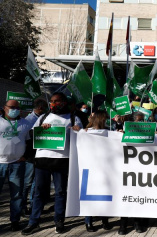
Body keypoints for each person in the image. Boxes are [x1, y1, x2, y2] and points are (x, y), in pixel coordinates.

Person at [22, 92, 83, 235]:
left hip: (62, 160)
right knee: (39, 193)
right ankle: (33, 222)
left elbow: (81, 138)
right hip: (42, 159)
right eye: (52, 101)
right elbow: (32, 134)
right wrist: (41, 129)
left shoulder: (73, 118)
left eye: (57, 101)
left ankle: (59, 220)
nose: (54, 103)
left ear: (64, 102)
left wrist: (77, 131)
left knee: (60, 192)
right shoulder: (44, 117)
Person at [0, 99, 34, 231]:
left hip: (17, 164)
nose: (15, 109)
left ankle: (15, 220)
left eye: (17, 107)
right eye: (12, 107)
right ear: (4, 107)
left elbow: (30, 142)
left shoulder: (25, 124)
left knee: (17, 194)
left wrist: (25, 156)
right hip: (0, 163)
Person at [82, 111, 112, 232]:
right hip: (89, 168)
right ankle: (88, 221)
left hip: (104, 168)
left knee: (103, 195)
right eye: (105, 118)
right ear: (100, 119)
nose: (107, 121)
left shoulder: (109, 132)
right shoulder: (85, 132)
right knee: (89, 196)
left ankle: (105, 220)